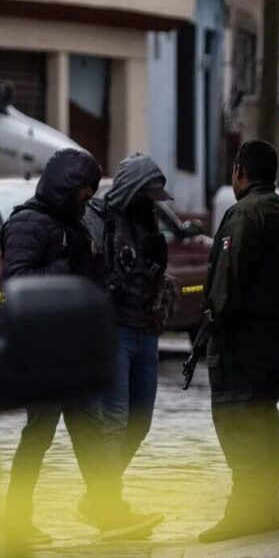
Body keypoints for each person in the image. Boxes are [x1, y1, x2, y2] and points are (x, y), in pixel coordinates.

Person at [2, 148, 157, 544]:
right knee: (38, 436)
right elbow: (17, 280)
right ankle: (15, 521)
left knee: (91, 434)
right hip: (42, 353)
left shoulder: (72, 224)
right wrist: (69, 266)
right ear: (69, 185)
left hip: (73, 351)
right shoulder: (28, 222)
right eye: (85, 187)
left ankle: (108, 512)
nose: (89, 195)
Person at [197, 140, 279, 543]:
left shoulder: (244, 214)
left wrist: (214, 320)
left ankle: (245, 512)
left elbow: (224, 282)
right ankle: (263, 505)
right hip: (273, 335)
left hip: (239, 338)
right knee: (263, 412)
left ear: (239, 171)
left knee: (237, 416)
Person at [80, 153, 176, 537]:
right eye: (146, 195)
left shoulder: (148, 221)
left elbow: (153, 272)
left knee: (139, 421)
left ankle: (98, 495)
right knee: (115, 422)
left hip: (146, 330)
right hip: (113, 331)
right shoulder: (97, 220)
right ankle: (108, 504)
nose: (150, 203)